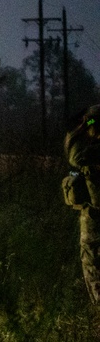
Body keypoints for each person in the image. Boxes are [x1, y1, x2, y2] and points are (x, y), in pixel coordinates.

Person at [63, 105, 100, 304]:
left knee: (92, 263)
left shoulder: (89, 151)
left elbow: (74, 155)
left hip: (94, 218)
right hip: (93, 213)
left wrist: (87, 123)